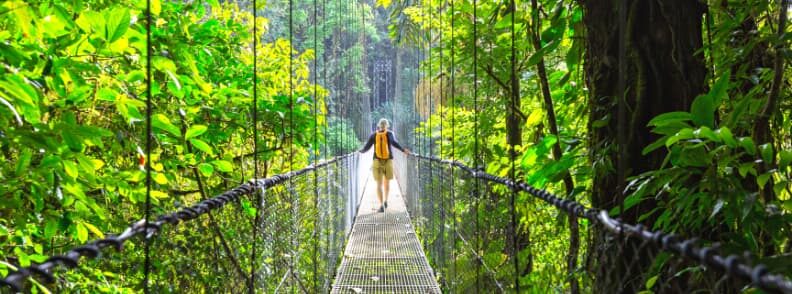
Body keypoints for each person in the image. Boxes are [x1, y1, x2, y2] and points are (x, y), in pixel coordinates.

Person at [359, 118, 410, 212]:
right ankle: (386, 200)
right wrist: (403, 150)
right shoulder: (390, 134)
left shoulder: (374, 135)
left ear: (378, 125)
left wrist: (360, 152)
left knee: (379, 184)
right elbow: (395, 143)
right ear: (387, 126)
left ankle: (381, 205)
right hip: (388, 161)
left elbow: (367, 147)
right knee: (387, 183)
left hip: (377, 161)